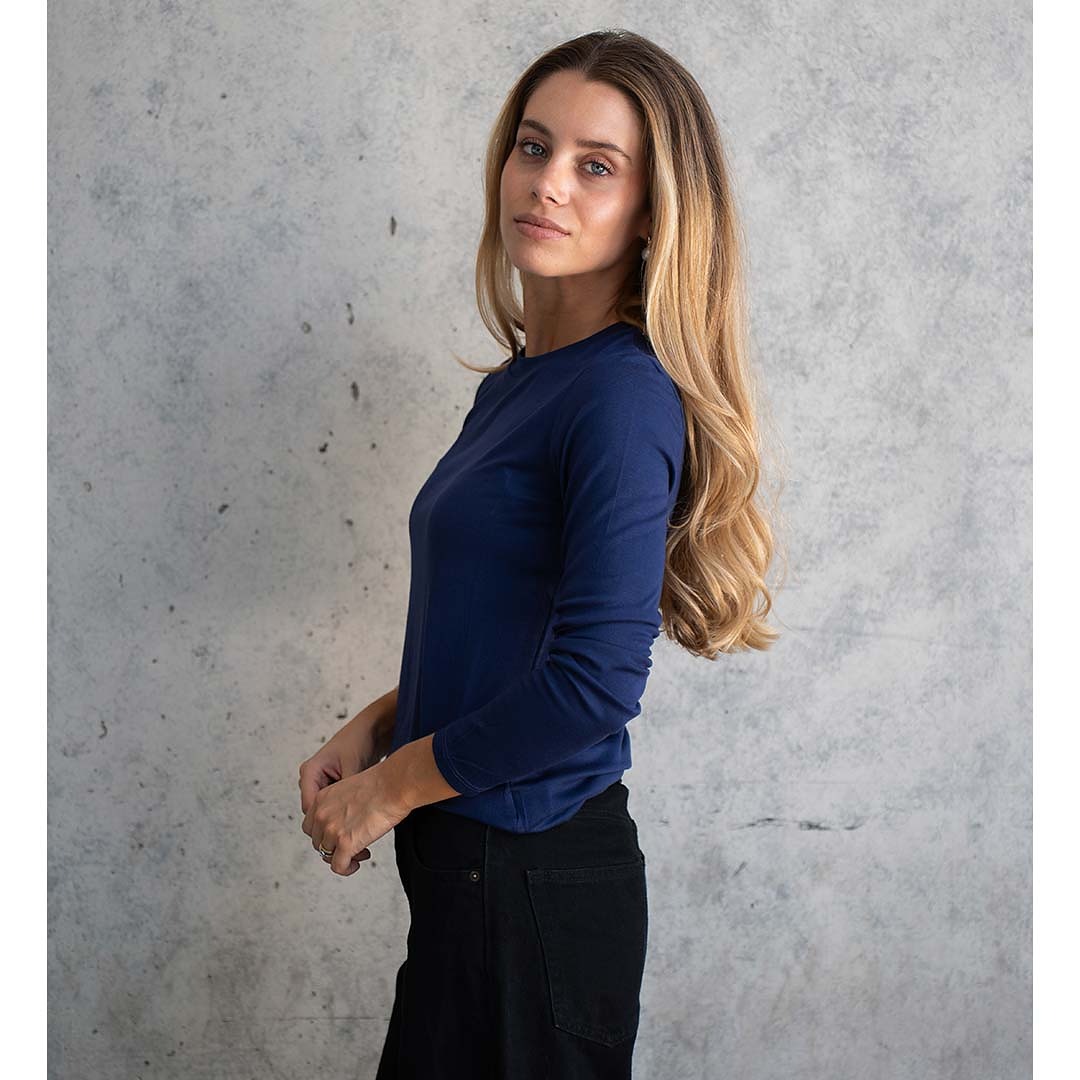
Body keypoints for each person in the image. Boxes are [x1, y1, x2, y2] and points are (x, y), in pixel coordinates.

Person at [298, 28, 781, 1080]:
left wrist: (388, 790)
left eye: (596, 166)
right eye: (533, 146)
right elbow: (502, 634)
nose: (548, 183)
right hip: (473, 878)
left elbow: (593, 683)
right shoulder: (520, 385)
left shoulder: (618, 397)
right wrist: (377, 725)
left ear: (652, 210)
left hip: (530, 882)